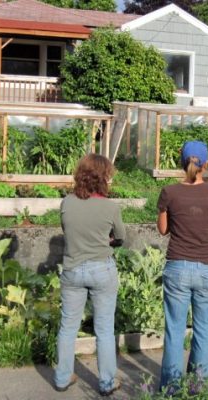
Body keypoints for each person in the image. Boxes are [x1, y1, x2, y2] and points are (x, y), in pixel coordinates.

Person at [157, 140, 208, 392]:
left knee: (174, 331)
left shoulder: (169, 192)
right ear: (206, 164)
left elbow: (163, 229)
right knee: (203, 330)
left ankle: (171, 390)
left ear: (181, 163)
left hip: (177, 267)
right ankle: (198, 388)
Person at [54, 154, 125, 396]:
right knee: (104, 329)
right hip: (102, 270)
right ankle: (106, 382)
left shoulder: (67, 203)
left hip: (72, 269)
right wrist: (107, 240)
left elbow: (68, 230)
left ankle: (62, 377)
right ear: (103, 177)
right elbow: (120, 238)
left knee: (68, 327)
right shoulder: (110, 207)